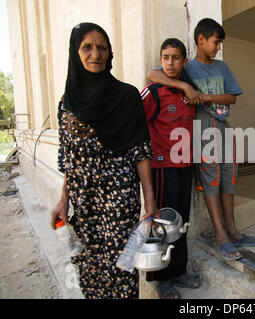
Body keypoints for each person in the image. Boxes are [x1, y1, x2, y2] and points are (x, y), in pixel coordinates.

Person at [50, 23, 158, 299]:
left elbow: (141, 152)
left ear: (110, 53)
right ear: (76, 53)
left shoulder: (126, 96)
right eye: (87, 47)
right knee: (88, 266)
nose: (95, 54)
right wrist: (63, 200)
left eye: (102, 47)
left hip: (119, 197)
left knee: (121, 267)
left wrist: (150, 201)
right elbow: (69, 155)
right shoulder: (67, 103)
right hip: (83, 201)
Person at [147, 18, 255, 261]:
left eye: (219, 43)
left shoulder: (221, 67)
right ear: (201, 40)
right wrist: (184, 86)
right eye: (215, 42)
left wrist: (205, 97)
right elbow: (152, 74)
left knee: (229, 176)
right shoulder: (187, 68)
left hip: (223, 125)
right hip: (202, 127)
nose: (218, 47)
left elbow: (233, 98)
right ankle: (220, 236)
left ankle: (232, 230)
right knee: (212, 178)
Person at [141, 38, 201, 299]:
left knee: (181, 223)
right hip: (162, 167)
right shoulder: (154, 91)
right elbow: (135, 121)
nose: (170, 62)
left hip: (185, 165)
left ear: (184, 61)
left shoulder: (190, 93)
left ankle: (178, 270)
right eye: (165, 57)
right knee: (163, 222)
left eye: (175, 57)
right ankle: (160, 278)